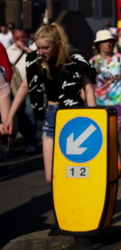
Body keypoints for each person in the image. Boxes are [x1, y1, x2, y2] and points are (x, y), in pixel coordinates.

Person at [7, 23, 96, 182]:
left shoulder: (75, 61)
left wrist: (93, 119)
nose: (41, 52)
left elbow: (88, 89)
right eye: (38, 47)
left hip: (74, 115)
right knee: (50, 177)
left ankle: (74, 204)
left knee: (74, 172)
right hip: (52, 113)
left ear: (58, 44)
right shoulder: (36, 60)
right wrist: (9, 116)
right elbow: (25, 86)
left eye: (45, 48)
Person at [89, 29, 121, 171]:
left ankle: (114, 164)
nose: (107, 44)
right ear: (98, 45)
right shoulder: (93, 62)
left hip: (119, 102)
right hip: (100, 103)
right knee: (106, 133)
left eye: (109, 41)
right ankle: (118, 161)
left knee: (112, 132)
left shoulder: (120, 59)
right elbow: (88, 84)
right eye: (103, 42)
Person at [5, 28, 37, 153]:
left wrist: (25, 49)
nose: (20, 40)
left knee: (29, 114)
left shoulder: (33, 48)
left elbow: (37, 60)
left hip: (30, 88)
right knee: (16, 116)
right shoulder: (9, 51)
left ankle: (31, 142)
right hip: (15, 88)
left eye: (22, 37)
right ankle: (18, 141)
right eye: (17, 38)